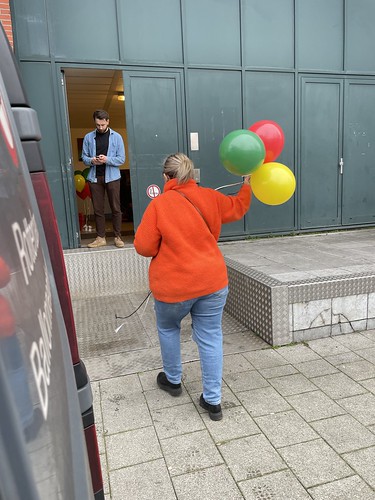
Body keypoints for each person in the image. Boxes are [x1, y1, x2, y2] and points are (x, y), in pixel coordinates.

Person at [134, 153, 251, 420]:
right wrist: (247, 184)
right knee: (210, 336)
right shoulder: (210, 196)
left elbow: (144, 246)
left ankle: (173, 380)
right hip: (212, 281)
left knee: (168, 327)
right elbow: (237, 207)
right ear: (191, 175)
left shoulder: (159, 205)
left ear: (166, 177)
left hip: (173, 287)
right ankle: (213, 400)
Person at [82, 109, 126, 248]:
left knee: (115, 208)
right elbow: (84, 158)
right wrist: (92, 161)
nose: (100, 127)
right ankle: (101, 237)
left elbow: (121, 159)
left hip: (112, 177)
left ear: (108, 121)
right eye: (97, 125)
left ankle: (117, 237)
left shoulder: (117, 137)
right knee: (98, 209)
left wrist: (107, 159)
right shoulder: (88, 137)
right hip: (95, 177)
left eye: (102, 124)